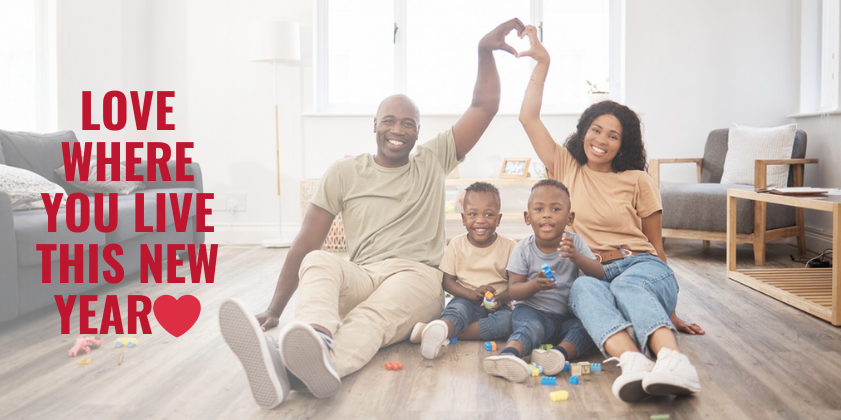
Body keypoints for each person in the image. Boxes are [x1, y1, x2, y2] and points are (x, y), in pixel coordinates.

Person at [218, 18, 526, 409]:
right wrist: (275, 309)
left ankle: (301, 367)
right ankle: (315, 338)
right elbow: (306, 243)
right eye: (389, 121)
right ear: (374, 125)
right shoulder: (344, 172)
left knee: (371, 319)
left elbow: (485, 106)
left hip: (416, 276)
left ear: (417, 133)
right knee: (318, 259)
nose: (398, 129)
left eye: (408, 123)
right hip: (362, 272)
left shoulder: (432, 160)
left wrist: (483, 51)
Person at [517, 25, 702, 402]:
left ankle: (674, 360)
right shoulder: (567, 168)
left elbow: (655, 247)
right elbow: (528, 119)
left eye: (612, 136)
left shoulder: (637, 180)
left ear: (623, 144)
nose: (601, 140)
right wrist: (543, 64)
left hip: (640, 267)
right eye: (596, 130)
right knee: (582, 290)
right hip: (593, 270)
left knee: (629, 285)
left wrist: (671, 307)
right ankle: (633, 363)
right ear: (584, 131)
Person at [484, 179, 604, 382]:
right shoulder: (523, 249)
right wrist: (535, 285)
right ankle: (509, 355)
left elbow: (599, 274)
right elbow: (513, 291)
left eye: (555, 209)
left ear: (569, 217)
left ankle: (557, 355)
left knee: (586, 328)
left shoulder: (575, 243)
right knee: (531, 328)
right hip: (532, 311)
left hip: (566, 315)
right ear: (527, 217)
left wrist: (577, 257)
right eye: (539, 209)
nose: (547, 214)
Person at [410, 181, 517, 360]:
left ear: (498, 219)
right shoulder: (457, 245)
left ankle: (438, 331)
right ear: (463, 218)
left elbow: (515, 286)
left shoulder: (510, 246)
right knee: (457, 311)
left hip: (498, 305)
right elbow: (448, 282)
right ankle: (444, 327)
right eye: (473, 214)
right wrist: (471, 294)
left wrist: (501, 299)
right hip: (466, 299)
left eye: (489, 214)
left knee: (508, 322)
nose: (480, 220)